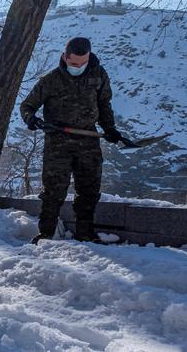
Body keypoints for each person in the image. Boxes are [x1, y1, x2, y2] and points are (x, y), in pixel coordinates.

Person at [20, 36, 126, 243]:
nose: (78, 67)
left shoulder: (98, 75)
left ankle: (85, 233)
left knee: (89, 189)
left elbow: (104, 104)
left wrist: (110, 128)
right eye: (74, 64)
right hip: (58, 141)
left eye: (83, 63)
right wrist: (31, 119)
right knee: (54, 190)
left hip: (88, 139)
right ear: (65, 57)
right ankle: (46, 233)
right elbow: (27, 106)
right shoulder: (50, 80)